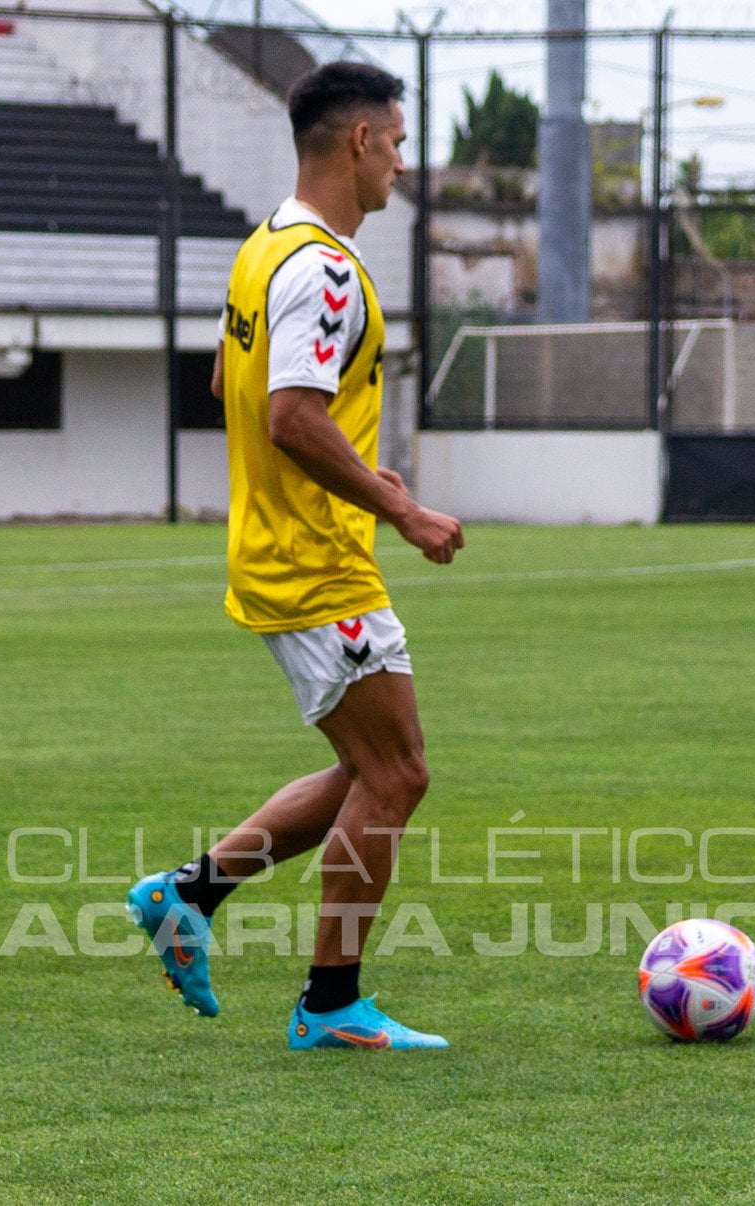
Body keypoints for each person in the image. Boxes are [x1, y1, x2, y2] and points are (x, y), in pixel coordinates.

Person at [126, 62, 464, 1049]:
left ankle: (188, 892)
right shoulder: (317, 264)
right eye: (396, 143)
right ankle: (329, 1004)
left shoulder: (261, 247)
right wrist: (398, 505)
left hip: (278, 548)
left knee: (369, 767)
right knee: (396, 773)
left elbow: (229, 376)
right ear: (357, 140)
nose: (400, 163)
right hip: (314, 559)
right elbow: (287, 416)